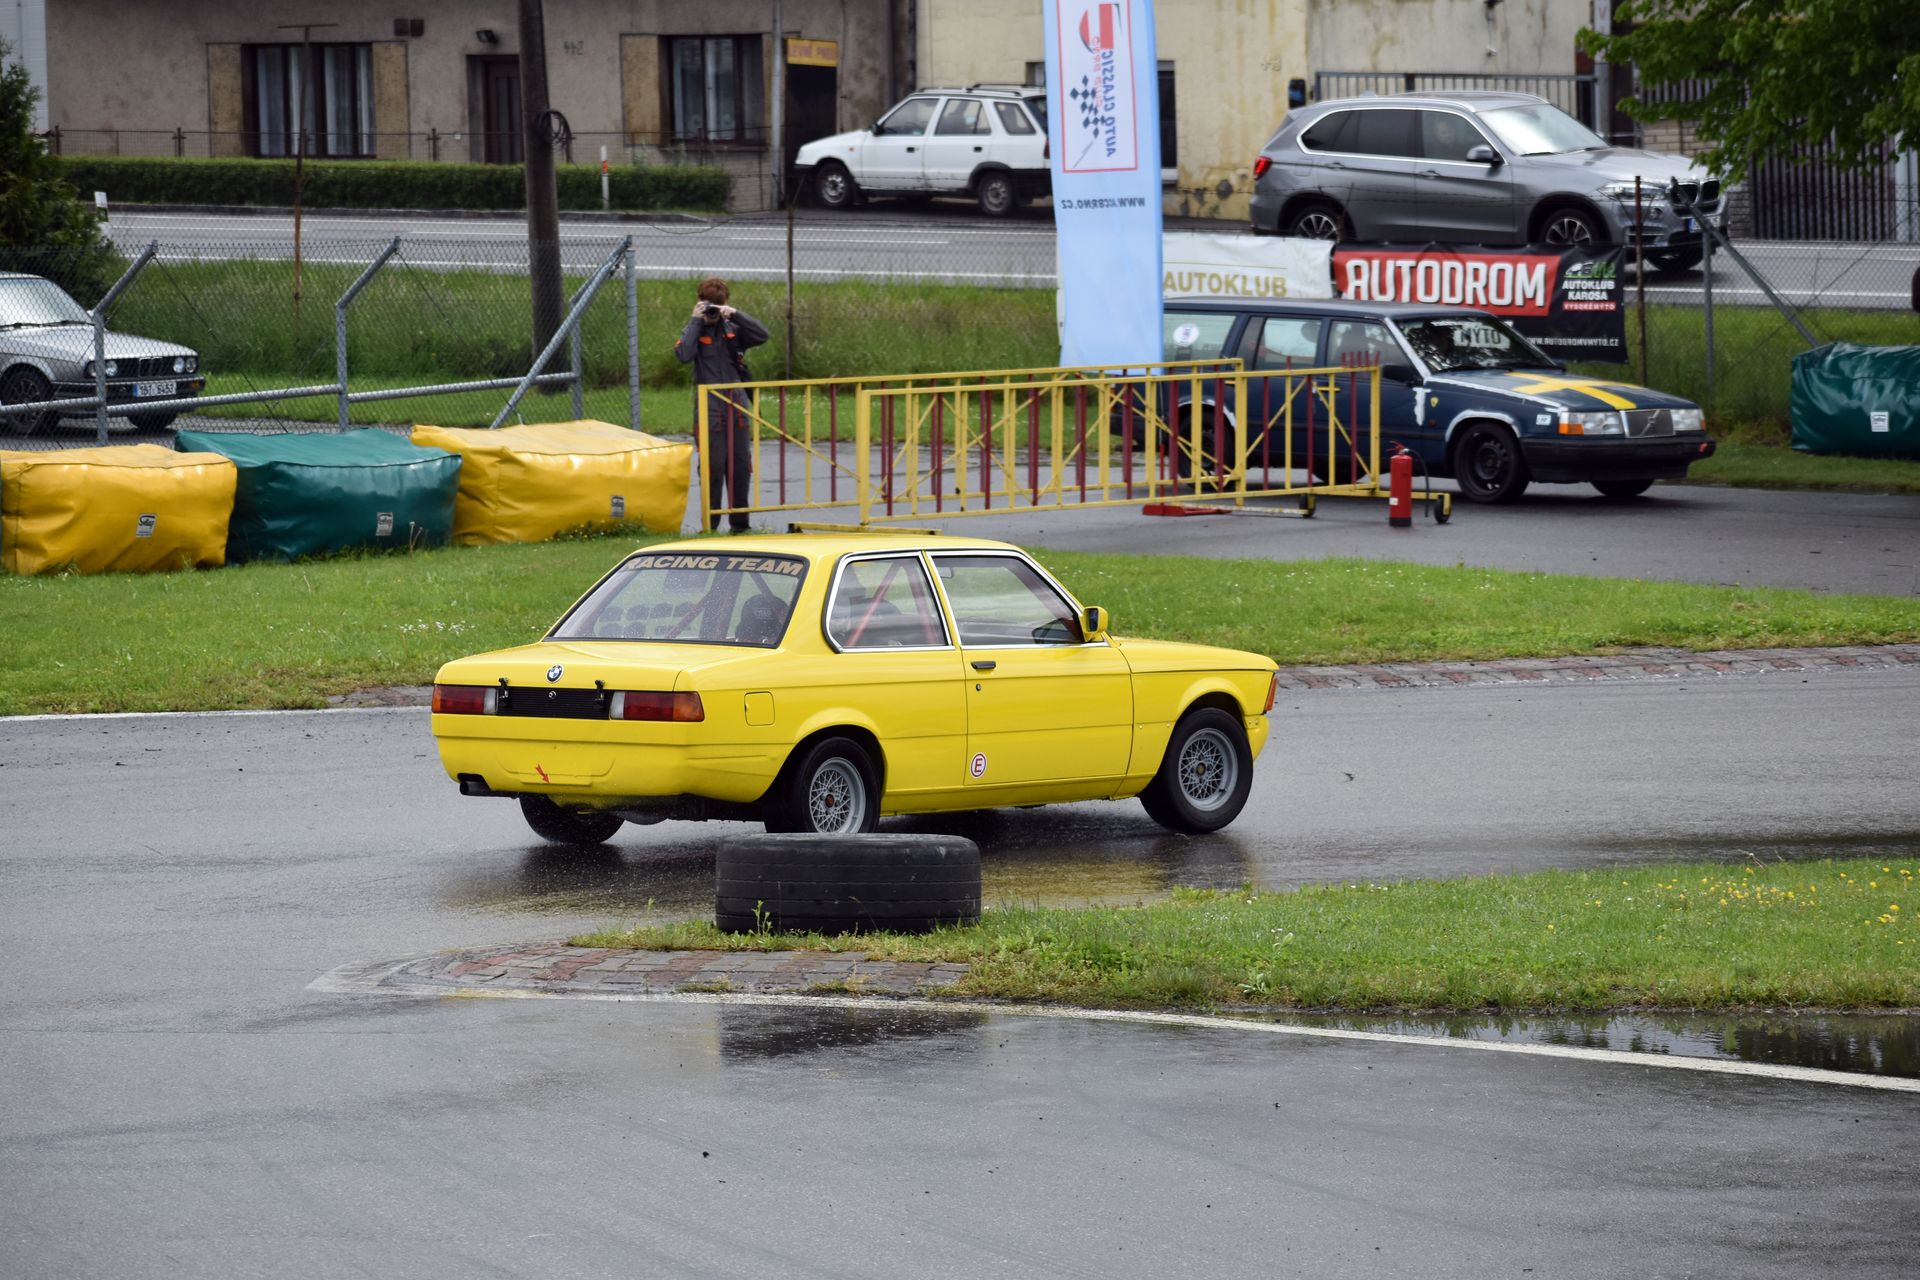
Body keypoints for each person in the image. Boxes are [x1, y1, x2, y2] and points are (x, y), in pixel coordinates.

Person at [673, 277, 769, 533]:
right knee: (712, 465)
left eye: (717, 305)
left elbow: (762, 335)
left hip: (736, 402)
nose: (713, 311)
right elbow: (683, 355)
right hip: (709, 405)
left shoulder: (733, 328)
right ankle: (710, 525)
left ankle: (740, 525)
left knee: (740, 465)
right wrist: (696, 320)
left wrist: (735, 314)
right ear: (699, 302)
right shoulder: (694, 329)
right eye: (709, 304)